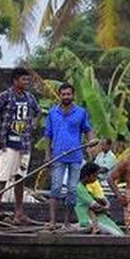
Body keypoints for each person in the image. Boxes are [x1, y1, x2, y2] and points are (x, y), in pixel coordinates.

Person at [0, 67, 42, 225]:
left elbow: (38, 111)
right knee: (3, 177)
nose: (26, 82)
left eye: (27, 80)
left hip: (24, 144)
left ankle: (19, 212)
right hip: (8, 143)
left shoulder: (29, 97)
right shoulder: (5, 96)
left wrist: (33, 123)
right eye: (23, 80)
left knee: (20, 178)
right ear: (15, 80)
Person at [43, 82, 93, 230]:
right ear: (60, 95)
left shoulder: (81, 112)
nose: (66, 97)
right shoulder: (52, 113)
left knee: (72, 190)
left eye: (68, 94)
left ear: (73, 95)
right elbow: (47, 135)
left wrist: (91, 142)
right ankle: (52, 221)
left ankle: (66, 222)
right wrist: (47, 154)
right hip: (58, 156)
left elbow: (88, 129)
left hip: (75, 157)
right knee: (56, 188)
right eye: (63, 94)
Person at [75, 161, 123, 235]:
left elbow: (101, 199)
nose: (96, 178)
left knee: (120, 232)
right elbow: (95, 205)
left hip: (99, 216)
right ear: (88, 175)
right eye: (95, 176)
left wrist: (104, 206)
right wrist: (105, 207)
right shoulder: (80, 188)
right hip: (87, 218)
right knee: (117, 234)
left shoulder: (88, 186)